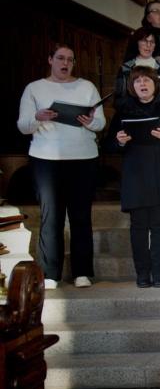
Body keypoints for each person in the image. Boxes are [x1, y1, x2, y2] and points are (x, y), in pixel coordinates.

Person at [18, 44, 105, 289]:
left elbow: (100, 123)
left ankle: (82, 273)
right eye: (60, 58)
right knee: (51, 216)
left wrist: (89, 121)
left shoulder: (87, 87)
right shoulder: (34, 88)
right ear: (50, 60)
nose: (65, 63)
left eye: (70, 59)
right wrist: (38, 117)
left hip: (83, 157)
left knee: (80, 216)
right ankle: (50, 274)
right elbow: (23, 126)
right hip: (46, 159)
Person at [108, 66, 160, 288]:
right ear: (132, 86)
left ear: (155, 84)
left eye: (147, 81)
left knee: (159, 225)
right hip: (135, 171)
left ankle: (159, 273)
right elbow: (110, 144)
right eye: (137, 81)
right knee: (139, 225)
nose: (142, 84)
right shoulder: (123, 109)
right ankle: (142, 273)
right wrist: (120, 141)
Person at [115, 27, 160, 99]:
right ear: (136, 43)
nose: (148, 45)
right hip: (133, 109)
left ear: (155, 45)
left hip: (159, 108)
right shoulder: (126, 67)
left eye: (152, 42)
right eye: (144, 41)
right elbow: (119, 96)